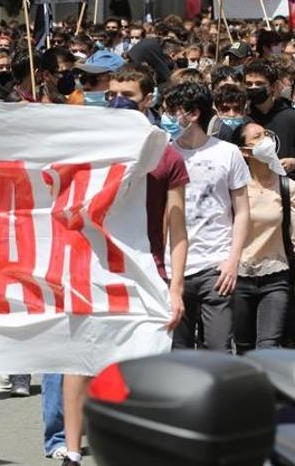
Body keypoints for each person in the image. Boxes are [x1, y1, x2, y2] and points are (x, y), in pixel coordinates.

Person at [48, 67, 191, 466]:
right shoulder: (89, 149)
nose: (117, 101)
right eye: (111, 94)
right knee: (80, 360)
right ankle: (73, 452)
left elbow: (178, 229)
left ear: (148, 99)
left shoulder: (167, 156)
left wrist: (175, 288)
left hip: (146, 274)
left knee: (141, 368)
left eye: (127, 94)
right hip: (92, 270)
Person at [161, 82, 250, 351]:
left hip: (216, 267)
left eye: (173, 111)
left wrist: (233, 259)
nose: (168, 117)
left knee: (219, 351)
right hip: (172, 269)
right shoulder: (163, 153)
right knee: (179, 356)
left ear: (194, 114)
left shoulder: (228, 152)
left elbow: (243, 210)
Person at [230, 123, 295, 352]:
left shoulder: (288, 187)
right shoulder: (234, 189)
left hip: (276, 278)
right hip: (239, 278)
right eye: (258, 137)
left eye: (267, 135)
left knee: (268, 346)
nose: (266, 140)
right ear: (244, 151)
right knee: (244, 347)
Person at [243, 59, 295, 174]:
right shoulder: (243, 118)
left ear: (273, 86)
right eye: (249, 84)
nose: (253, 88)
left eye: (259, 84)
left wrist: (294, 162)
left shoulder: (293, 118)